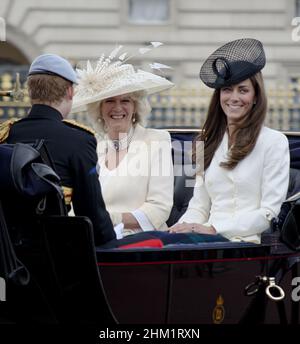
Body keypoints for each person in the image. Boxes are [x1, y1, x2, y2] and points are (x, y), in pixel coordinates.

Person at [169, 38, 290, 244]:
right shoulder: (207, 142)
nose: (233, 97)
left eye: (243, 90)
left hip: (245, 243)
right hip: (205, 240)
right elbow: (199, 206)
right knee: (154, 242)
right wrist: (180, 228)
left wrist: (213, 229)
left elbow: (268, 212)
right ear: (219, 96)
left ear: (255, 97)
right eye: (227, 89)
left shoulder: (274, 142)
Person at [1, 53, 115, 245]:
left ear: (30, 91)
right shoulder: (79, 139)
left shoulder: (6, 135)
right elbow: (92, 216)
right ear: (70, 91)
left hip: (10, 262)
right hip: (58, 262)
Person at [72, 48, 174, 238]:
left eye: (125, 100)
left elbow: (159, 208)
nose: (118, 108)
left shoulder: (157, 141)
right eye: (110, 101)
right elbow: (74, 206)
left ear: (135, 106)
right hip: (94, 240)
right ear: (99, 108)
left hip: (141, 243)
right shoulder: (91, 145)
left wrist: (110, 219)